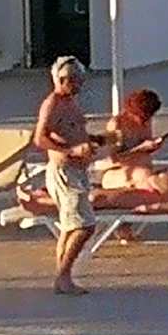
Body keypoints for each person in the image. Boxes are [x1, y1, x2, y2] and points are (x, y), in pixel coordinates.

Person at [32, 56, 101, 296]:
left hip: (77, 171)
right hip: (65, 172)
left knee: (71, 227)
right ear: (61, 80)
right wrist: (71, 151)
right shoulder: (52, 104)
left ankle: (62, 277)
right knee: (85, 226)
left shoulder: (70, 102)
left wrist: (95, 140)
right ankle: (63, 276)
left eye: (80, 79)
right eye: (74, 80)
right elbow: (40, 138)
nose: (79, 84)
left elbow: (71, 131)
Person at [95, 89, 168, 195]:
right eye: (142, 117)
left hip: (140, 167)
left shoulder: (146, 122)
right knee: (145, 177)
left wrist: (153, 146)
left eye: (149, 117)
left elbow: (144, 149)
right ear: (132, 112)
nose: (145, 120)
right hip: (115, 171)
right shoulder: (117, 125)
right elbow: (113, 159)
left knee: (161, 176)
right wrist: (139, 149)